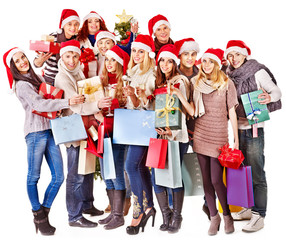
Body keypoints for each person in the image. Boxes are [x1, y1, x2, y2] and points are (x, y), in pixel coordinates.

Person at [3, 47, 84, 235]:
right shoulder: (21, 85)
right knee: (33, 176)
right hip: (35, 134)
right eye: (17, 61)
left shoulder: (35, 77)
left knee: (58, 177)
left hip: (50, 130)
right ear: (13, 66)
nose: (23, 61)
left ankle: (43, 213)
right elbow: (39, 104)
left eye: (23, 57)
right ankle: (37, 214)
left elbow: (51, 90)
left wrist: (41, 65)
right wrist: (68, 102)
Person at [178, 48, 239, 236]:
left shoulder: (227, 83)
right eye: (203, 61)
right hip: (201, 134)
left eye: (210, 61)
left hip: (219, 135)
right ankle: (214, 217)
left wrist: (235, 138)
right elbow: (192, 111)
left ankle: (227, 215)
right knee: (206, 180)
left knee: (216, 180)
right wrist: (179, 95)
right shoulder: (197, 83)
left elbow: (231, 111)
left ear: (217, 63)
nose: (206, 65)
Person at [225, 40, 282, 232]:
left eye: (237, 55)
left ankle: (259, 214)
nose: (233, 59)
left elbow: (277, 91)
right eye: (230, 55)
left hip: (254, 129)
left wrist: (269, 97)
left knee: (257, 173)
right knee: (242, 171)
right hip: (236, 129)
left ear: (244, 54)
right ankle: (248, 208)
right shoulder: (227, 73)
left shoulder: (257, 71)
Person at [54, 40, 109, 228]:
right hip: (74, 129)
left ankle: (87, 205)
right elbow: (77, 106)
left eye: (75, 55)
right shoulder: (63, 77)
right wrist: (97, 105)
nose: (72, 59)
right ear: (62, 57)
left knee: (86, 170)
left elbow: (87, 95)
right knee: (75, 174)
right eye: (68, 56)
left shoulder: (78, 72)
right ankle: (74, 215)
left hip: (85, 127)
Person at [151, 44, 190, 234]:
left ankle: (177, 215)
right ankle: (165, 214)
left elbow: (183, 112)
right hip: (161, 135)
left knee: (175, 175)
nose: (165, 64)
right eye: (162, 61)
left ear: (175, 63)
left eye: (169, 61)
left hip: (177, 136)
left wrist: (171, 132)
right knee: (155, 176)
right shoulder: (158, 83)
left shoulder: (180, 81)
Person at [124, 34, 156, 235]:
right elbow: (135, 104)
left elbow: (149, 105)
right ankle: (149, 206)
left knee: (130, 165)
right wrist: (129, 97)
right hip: (133, 126)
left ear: (148, 54)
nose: (136, 54)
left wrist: (136, 98)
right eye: (134, 50)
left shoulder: (151, 74)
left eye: (140, 51)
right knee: (141, 168)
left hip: (145, 126)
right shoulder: (133, 71)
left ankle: (138, 212)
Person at [97, 45, 130, 230]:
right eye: (107, 60)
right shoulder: (99, 83)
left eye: (113, 60)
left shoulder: (124, 83)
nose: (109, 64)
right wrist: (97, 112)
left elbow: (129, 109)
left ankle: (119, 215)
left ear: (119, 63)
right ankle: (112, 213)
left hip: (118, 132)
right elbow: (93, 106)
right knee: (105, 173)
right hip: (103, 132)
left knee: (117, 173)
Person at [33, 9, 80, 85]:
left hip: (68, 80)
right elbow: (35, 64)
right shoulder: (52, 38)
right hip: (51, 80)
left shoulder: (78, 40)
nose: (73, 27)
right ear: (63, 24)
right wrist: (40, 60)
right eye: (69, 24)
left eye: (76, 24)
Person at [77, 11, 108, 78]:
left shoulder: (108, 38)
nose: (93, 24)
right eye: (90, 21)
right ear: (86, 24)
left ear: (100, 24)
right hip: (84, 77)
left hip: (103, 76)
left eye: (96, 21)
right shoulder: (79, 39)